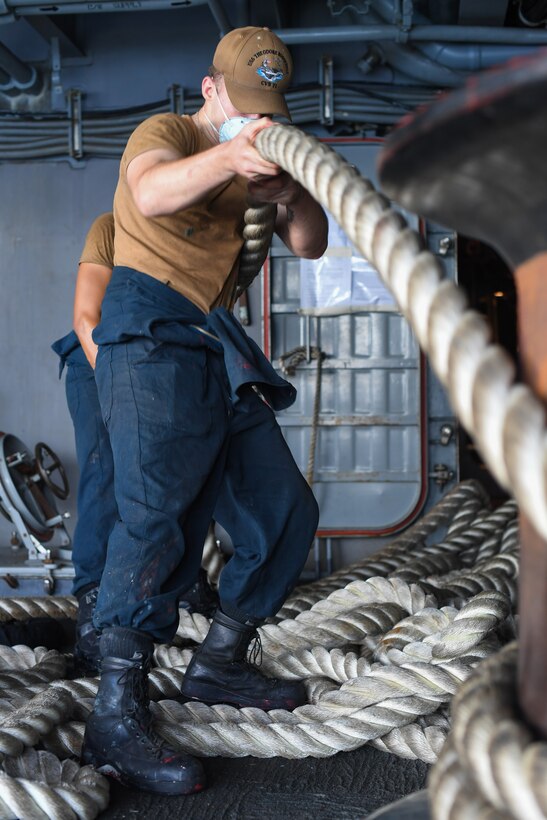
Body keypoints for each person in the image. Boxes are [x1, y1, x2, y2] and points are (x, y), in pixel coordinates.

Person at [81, 26, 328, 795]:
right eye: (240, 104)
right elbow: (151, 191)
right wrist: (228, 152)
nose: (251, 118)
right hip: (149, 325)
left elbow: (312, 244)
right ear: (210, 88)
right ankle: (115, 714)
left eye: (265, 110)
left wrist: (288, 189)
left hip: (214, 338)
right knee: (157, 515)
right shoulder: (172, 134)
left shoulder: (261, 170)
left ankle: (218, 664)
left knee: (283, 507)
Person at [52, 214, 219, 675]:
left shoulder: (202, 234)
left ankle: (178, 582)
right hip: (99, 361)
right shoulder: (111, 227)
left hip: (163, 360)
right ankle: (93, 603)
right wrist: (125, 394)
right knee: (108, 475)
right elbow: (87, 317)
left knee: (180, 472)